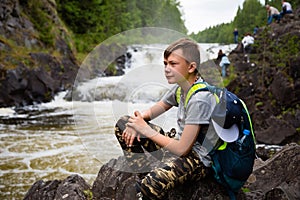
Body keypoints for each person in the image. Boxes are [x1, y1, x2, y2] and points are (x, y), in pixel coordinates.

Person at [114, 38, 217, 199]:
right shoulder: (180, 89)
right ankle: (144, 175)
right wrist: (135, 123)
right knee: (123, 124)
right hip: (177, 148)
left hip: (198, 160)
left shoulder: (200, 99)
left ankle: (148, 185)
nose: (167, 69)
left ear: (191, 67)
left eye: (173, 64)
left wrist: (146, 130)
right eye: (165, 64)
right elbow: (150, 113)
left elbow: (183, 149)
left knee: (151, 184)